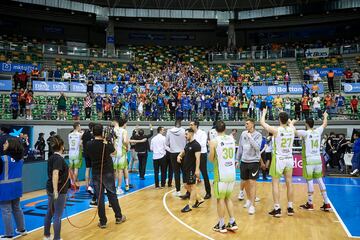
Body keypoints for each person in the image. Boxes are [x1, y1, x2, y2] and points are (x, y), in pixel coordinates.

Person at [86, 123, 126, 228]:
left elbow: (88, 156)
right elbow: (115, 153)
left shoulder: (89, 144)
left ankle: (103, 222)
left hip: (96, 173)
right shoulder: (106, 144)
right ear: (102, 132)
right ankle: (118, 217)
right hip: (107, 172)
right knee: (112, 195)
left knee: (99, 198)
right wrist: (109, 141)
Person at [291, 112, 331, 211]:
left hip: (309, 160)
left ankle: (310, 203)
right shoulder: (318, 131)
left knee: (309, 182)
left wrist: (292, 123)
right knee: (320, 180)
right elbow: (325, 124)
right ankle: (326, 203)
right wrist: (325, 116)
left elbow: (294, 132)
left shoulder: (305, 133)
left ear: (306, 124)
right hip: (318, 159)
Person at [260, 109, 295, 217]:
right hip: (289, 158)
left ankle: (277, 208)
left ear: (279, 119)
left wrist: (264, 113)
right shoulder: (292, 129)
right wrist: (284, 113)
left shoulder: (276, 130)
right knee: (289, 183)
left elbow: (262, 123)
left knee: (275, 184)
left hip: (279, 159)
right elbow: (290, 122)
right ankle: (290, 207)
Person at [208, 120, 238, 233]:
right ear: (225, 129)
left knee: (220, 199)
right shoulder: (231, 139)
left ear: (215, 130)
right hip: (232, 173)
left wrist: (211, 149)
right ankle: (232, 221)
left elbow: (211, 159)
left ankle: (221, 224)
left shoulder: (214, 141)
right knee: (227, 198)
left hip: (221, 174)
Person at [0, 138, 27, 239]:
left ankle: (9, 234)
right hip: (17, 187)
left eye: (6, 143)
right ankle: (22, 229)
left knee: (6, 211)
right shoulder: (20, 159)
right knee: (17, 208)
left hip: (5, 189)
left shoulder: (3, 159)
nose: (4, 144)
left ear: (11, 145)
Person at [44, 135, 69, 240]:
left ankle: (47, 235)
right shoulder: (58, 159)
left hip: (51, 188)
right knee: (57, 215)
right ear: (62, 146)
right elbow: (55, 174)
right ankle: (57, 238)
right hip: (58, 190)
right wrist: (55, 191)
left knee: (50, 212)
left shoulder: (51, 157)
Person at [236, 118, 263, 215]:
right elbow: (240, 147)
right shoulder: (243, 134)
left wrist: (250, 137)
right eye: (245, 123)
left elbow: (257, 147)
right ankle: (248, 199)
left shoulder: (258, 135)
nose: (245, 125)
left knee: (252, 183)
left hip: (254, 162)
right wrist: (237, 160)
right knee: (246, 183)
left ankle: (252, 205)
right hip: (244, 161)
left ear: (252, 124)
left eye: (247, 123)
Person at [177, 128, 204, 213]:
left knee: (193, 186)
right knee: (185, 185)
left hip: (192, 169)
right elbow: (184, 151)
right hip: (185, 168)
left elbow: (198, 159)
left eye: (186, 134)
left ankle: (189, 205)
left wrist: (197, 170)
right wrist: (179, 155)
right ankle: (199, 199)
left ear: (191, 134)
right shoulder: (188, 144)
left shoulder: (196, 145)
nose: (185, 136)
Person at [189, 120, 211, 199]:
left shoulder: (202, 133)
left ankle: (208, 192)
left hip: (201, 155)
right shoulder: (191, 134)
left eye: (191, 125)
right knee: (191, 173)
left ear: (196, 125)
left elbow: (201, 144)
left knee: (204, 173)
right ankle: (189, 193)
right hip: (193, 155)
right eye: (190, 125)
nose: (190, 126)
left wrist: (193, 144)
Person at [166, 120, 186, 196]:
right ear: (180, 125)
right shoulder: (184, 131)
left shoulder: (169, 131)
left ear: (174, 125)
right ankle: (188, 190)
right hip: (182, 153)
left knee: (176, 172)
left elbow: (166, 143)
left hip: (173, 153)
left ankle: (178, 191)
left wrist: (171, 148)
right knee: (184, 171)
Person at [82, 122, 95, 199]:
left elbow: (81, 142)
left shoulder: (85, 134)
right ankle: (92, 185)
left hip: (85, 153)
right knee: (93, 170)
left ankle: (87, 185)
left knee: (87, 169)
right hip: (92, 153)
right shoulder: (93, 134)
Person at [68, 122, 83, 188]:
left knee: (71, 168)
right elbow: (80, 144)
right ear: (77, 127)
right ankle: (73, 183)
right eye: (80, 126)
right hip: (77, 153)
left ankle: (71, 182)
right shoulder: (80, 134)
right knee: (76, 169)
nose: (80, 128)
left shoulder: (69, 134)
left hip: (70, 153)